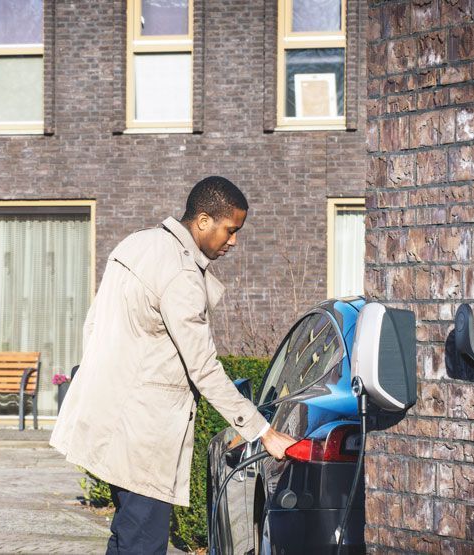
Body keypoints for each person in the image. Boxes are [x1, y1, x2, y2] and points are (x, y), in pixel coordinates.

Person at [50, 176, 296, 553]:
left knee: (127, 537)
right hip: (143, 433)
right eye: (230, 230)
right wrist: (262, 432)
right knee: (142, 544)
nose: (233, 241)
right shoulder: (181, 274)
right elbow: (204, 368)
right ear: (202, 221)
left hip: (109, 417)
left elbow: (93, 325)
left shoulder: (136, 244)